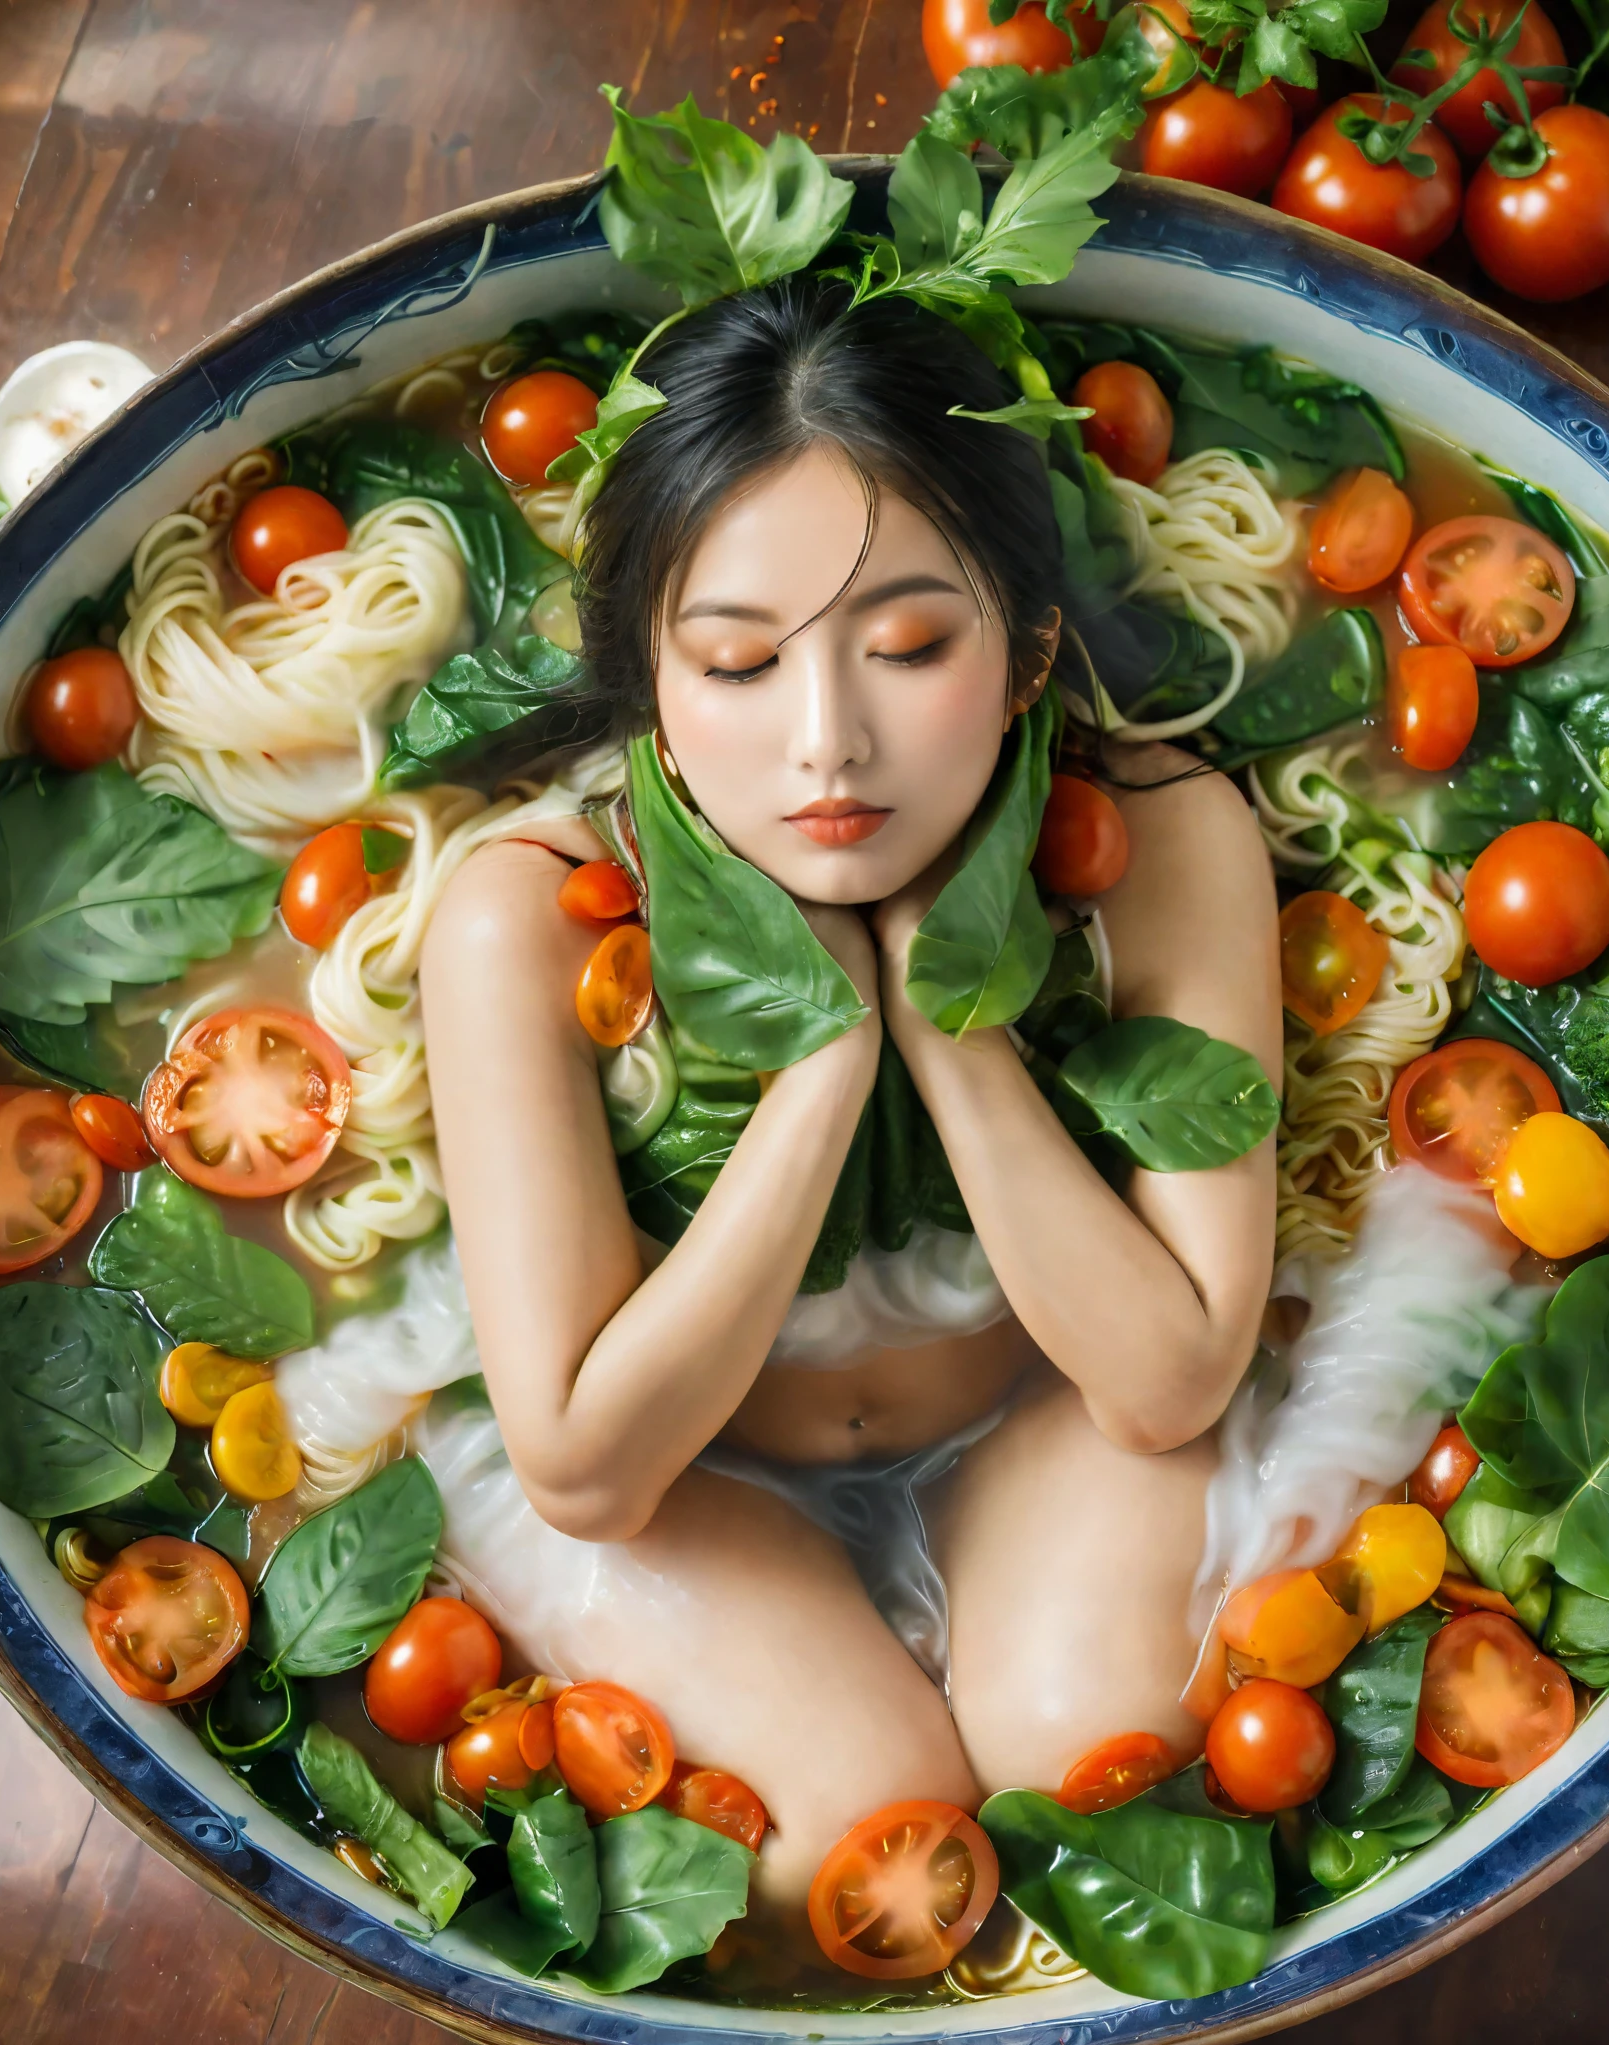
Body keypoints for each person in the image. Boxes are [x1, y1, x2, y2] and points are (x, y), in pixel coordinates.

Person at [421, 272, 1281, 1906]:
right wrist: (824, 1058)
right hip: (688, 1487)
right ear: (652, 689)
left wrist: (949, 1025)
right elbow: (591, 1468)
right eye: (736, 664)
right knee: (864, 1839)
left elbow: (1171, 1379)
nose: (828, 746)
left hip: (1043, 1413)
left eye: (907, 647)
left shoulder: (1158, 842)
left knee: (1082, 1765)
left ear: (1028, 651)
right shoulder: (522, 918)